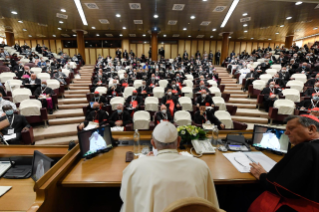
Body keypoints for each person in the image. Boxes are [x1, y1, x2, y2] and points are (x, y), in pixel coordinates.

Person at [120, 122, 220, 212]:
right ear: (179, 141)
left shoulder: (135, 167)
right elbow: (211, 206)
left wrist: (143, 161)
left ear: (153, 144)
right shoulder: (201, 166)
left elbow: (126, 197)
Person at [249, 115, 319, 211]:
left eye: (291, 128)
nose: (286, 133)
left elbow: (282, 188)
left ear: (311, 129)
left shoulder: (306, 148)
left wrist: (262, 175)